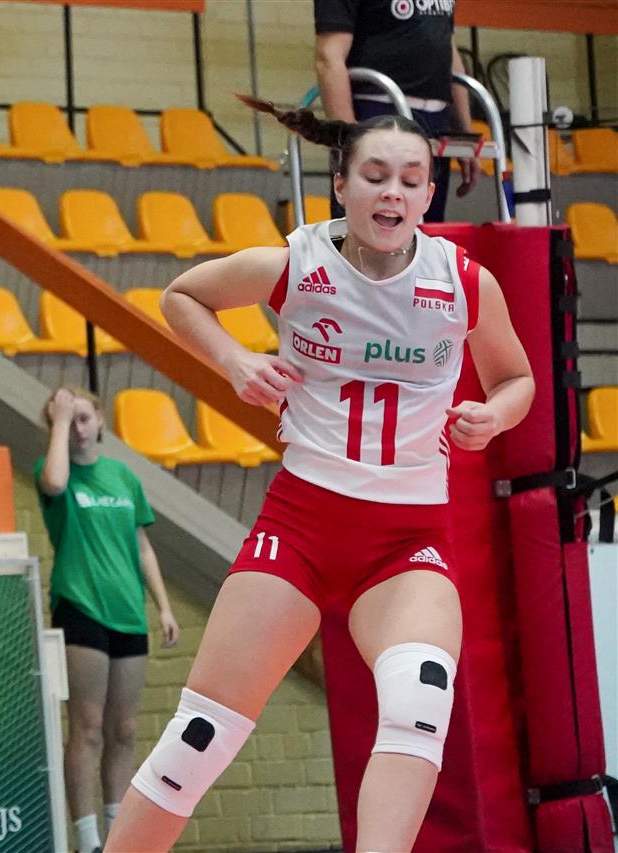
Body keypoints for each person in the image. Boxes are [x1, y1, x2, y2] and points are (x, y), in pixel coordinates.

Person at [104, 98, 534, 853]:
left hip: (407, 541)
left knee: (420, 703)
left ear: (429, 194)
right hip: (300, 528)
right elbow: (181, 296)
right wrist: (234, 361)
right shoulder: (296, 264)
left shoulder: (465, 282)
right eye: (375, 176)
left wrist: (493, 416)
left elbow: (517, 380)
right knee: (198, 737)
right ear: (341, 184)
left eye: (410, 180)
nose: (392, 192)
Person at [37, 386, 180, 853]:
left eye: (84, 418)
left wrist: (163, 605)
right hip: (81, 607)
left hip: (128, 613)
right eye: (68, 420)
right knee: (88, 727)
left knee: (124, 729)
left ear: (100, 421)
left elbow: (142, 546)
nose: (78, 428)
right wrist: (59, 420)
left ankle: (118, 835)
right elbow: (54, 483)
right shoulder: (51, 471)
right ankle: (87, 839)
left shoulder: (123, 477)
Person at [314, 0, 479, 222]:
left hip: (435, 118)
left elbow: (445, 45)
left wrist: (464, 132)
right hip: (377, 109)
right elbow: (328, 57)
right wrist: (348, 135)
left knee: (426, 226)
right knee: (371, 221)